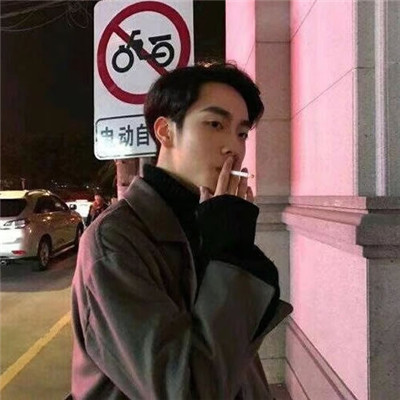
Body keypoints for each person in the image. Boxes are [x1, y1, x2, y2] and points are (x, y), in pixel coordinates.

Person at [70, 62, 293, 399]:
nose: (233, 147)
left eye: (242, 133)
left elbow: (234, 360)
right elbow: (185, 388)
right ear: (165, 131)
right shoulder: (116, 241)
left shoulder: (208, 219)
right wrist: (233, 256)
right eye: (215, 124)